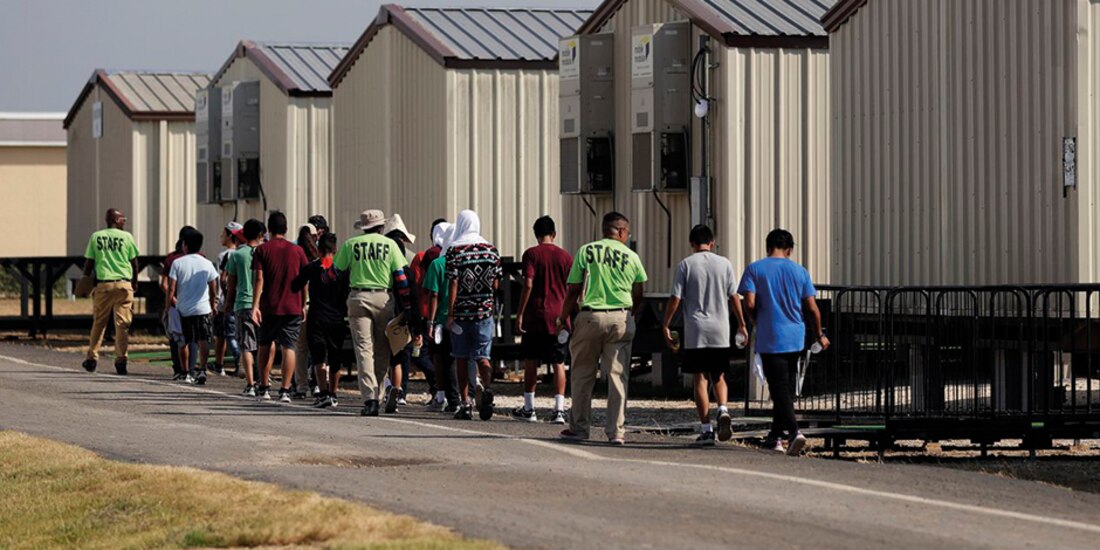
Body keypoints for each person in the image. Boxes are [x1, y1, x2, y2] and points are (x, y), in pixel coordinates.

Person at [737, 229, 829, 456]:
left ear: (768, 247)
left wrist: (755, 318)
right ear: (789, 249)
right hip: (795, 337)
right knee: (784, 387)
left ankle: (795, 432)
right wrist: (819, 335)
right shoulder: (800, 271)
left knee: (779, 389)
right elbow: (812, 308)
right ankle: (775, 437)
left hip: (770, 335)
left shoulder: (755, 269)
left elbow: (748, 302)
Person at [558, 212, 647, 445]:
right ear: (620, 231)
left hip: (590, 317)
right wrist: (631, 313)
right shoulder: (632, 256)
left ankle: (579, 428)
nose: (627, 236)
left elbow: (573, 290)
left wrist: (563, 317)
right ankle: (616, 431)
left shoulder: (586, 251)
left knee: (582, 374)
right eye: (627, 232)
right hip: (621, 317)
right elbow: (639, 293)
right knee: (618, 377)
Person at [661, 224, 748, 446]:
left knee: (700, 378)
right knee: (719, 375)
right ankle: (723, 409)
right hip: (720, 328)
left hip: (696, 329)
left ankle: (707, 429)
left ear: (692, 244)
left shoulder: (685, 265)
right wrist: (741, 323)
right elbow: (734, 296)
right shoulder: (725, 264)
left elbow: (676, 298)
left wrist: (666, 323)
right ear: (712, 243)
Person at [334, 209, 415, 417]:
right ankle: (377, 395)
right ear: (382, 226)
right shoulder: (390, 245)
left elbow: (336, 272)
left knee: (363, 350)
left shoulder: (350, 245)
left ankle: (369, 398)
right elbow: (402, 278)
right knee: (382, 350)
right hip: (383, 298)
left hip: (358, 297)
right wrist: (407, 308)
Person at [512, 215, 572, 424]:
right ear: (554, 234)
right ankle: (559, 410)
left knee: (531, 360)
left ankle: (529, 408)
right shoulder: (565, 257)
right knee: (559, 362)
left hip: (535, 315)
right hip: (559, 317)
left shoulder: (531, 254)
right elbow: (573, 288)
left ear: (536, 234)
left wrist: (520, 313)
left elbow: (528, 283)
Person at [444, 210, 502, 421]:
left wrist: (450, 314)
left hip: (461, 313)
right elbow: (496, 283)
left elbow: (453, 282)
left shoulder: (455, 251)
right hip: (484, 313)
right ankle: (486, 387)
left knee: (461, 358)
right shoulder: (492, 251)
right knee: (482, 357)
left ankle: (465, 403)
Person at [251, 211, 309, 403]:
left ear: (268, 228)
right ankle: (285, 389)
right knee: (289, 347)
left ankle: (264, 386)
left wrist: (255, 306)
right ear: (286, 228)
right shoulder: (298, 251)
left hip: (269, 306)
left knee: (265, 345)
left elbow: (259, 279)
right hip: (292, 305)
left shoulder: (262, 250)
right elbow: (304, 280)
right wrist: (303, 303)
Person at [292, 232, 349, 409]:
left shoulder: (312, 267)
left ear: (318, 248)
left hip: (316, 318)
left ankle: (323, 393)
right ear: (335, 249)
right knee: (335, 358)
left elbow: (295, 285)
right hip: (337, 319)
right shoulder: (342, 271)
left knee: (318, 358)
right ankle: (333, 393)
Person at [383, 213, 434, 413]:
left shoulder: (385, 253)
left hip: (389, 307)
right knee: (409, 353)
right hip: (411, 310)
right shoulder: (412, 256)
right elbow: (414, 287)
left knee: (394, 354)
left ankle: (396, 389)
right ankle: (402, 390)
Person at [81, 208, 139, 375]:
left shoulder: (96, 237)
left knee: (99, 322)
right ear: (115, 220)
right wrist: (134, 282)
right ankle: (121, 360)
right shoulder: (127, 237)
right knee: (122, 325)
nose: (124, 221)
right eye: (122, 219)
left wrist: (85, 280)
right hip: (123, 285)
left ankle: (92, 358)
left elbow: (89, 263)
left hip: (104, 285)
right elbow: (134, 262)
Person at [165, 228, 219, 385]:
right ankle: (202, 369)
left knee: (185, 341)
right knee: (203, 339)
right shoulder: (207, 263)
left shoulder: (177, 263)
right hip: (203, 309)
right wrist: (213, 303)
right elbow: (213, 286)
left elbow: (171, 288)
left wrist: (168, 307)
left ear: (185, 245)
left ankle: (186, 372)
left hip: (183, 309)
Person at [423, 222, 460, 413]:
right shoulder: (462, 262)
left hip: (440, 319)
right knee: (457, 358)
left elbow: (433, 294)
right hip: (460, 319)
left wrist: (430, 321)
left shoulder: (437, 264)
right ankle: (463, 396)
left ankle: (442, 396)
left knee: (439, 357)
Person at [226, 219, 264, 396]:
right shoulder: (264, 252)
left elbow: (230, 284)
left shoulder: (236, 255)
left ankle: (250, 384)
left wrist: (227, 305)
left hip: (243, 303)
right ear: (260, 235)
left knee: (247, 345)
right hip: (263, 304)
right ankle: (265, 380)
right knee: (263, 344)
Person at [292, 222, 321, 399]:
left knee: (300, 349)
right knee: (317, 348)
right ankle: (318, 384)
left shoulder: (295, 252)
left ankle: (301, 386)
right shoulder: (319, 255)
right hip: (317, 306)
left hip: (300, 305)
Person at [212, 222, 243, 376]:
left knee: (223, 335)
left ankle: (225, 364)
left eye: (223, 234)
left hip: (226, 301)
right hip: (242, 301)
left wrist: (217, 301)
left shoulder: (224, 256)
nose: (221, 236)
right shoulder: (245, 253)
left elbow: (220, 281)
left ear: (231, 235)